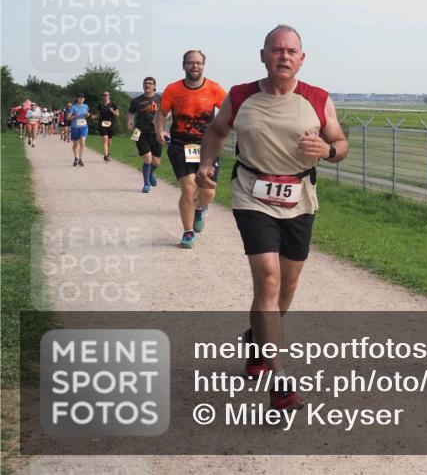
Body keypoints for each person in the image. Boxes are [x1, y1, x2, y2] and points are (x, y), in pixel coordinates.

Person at [197, 25, 348, 411]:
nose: (284, 56)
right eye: (276, 49)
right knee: (267, 277)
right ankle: (280, 383)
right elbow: (215, 131)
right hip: (253, 193)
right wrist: (207, 164)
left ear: (302, 58)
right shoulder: (241, 96)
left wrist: (327, 150)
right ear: (263, 55)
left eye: (291, 50)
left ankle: (257, 337)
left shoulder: (317, 99)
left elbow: (341, 144)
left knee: (287, 287)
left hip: (299, 197)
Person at [156, 50, 226, 248]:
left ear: (204, 65)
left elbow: (229, 112)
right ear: (183, 65)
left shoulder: (215, 89)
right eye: (190, 63)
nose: (195, 66)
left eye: (198, 63)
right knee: (188, 186)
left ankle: (200, 208)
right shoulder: (173, 89)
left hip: (207, 146)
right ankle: (187, 232)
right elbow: (162, 114)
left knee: (208, 191)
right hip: (180, 144)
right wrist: (160, 130)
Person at [128, 77, 162, 193]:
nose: (147, 85)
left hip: (156, 133)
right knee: (147, 158)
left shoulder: (159, 99)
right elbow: (130, 112)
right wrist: (129, 122)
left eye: (150, 83)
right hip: (140, 132)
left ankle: (150, 173)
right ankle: (146, 184)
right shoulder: (136, 101)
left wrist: (160, 120)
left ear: (154, 86)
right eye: (145, 83)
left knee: (156, 162)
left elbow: (167, 113)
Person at [68, 93, 90, 166]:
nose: (82, 99)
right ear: (77, 98)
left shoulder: (86, 106)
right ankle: (76, 157)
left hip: (84, 126)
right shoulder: (73, 107)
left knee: (83, 143)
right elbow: (68, 118)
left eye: (83, 98)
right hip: (75, 127)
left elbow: (86, 115)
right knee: (75, 145)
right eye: (80, 98)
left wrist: (87, 115)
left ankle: (80, 158)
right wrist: (74, 116)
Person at [97, 92, 120, 161]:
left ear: (109, 96)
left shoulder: (113, 104)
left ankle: (108, 152)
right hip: (102, 123)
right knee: (105, 139)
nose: (105, 96)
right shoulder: (100, 105)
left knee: (109, 140)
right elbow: (98, 114)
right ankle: (105, 155)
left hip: (111, 124)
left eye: (107, 95)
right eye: (104, 95)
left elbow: (117, 114)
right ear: (103, 97)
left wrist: (112, 111)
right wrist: (94, 116)